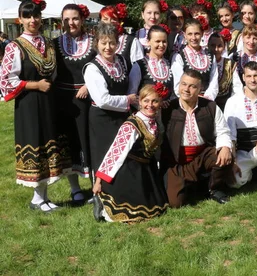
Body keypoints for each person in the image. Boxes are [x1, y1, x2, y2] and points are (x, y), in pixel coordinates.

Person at [0, 0, 71, 212]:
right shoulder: (15, 46)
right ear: (19, 19)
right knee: (36, 142)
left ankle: (44, 196)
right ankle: (36, 198)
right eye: (27, 16)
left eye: (36, 15)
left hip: (49, 102)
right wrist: (35, 86)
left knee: (48, 143)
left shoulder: (48, 43)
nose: (33, 20)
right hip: (30, 103)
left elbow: (55, 72)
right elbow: (5, 80)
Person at [92, 85, 168, 222]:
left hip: (146, 169)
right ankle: (101, 201)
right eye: (146, 101)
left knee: (158, 208)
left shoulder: (155, 121)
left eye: (155, 101)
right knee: (135, 213)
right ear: (139, 102)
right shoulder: (131, 125)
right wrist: (98, 182)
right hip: (128, 170)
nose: (150, 105)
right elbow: (115, 153)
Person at [161, 70, 234, 207]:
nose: (186, 89)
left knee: (224, 155)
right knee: (176, 203)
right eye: (184, 84)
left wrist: (225, 147)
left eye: (192, 86)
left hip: (202, 156)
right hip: (177, 163)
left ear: (200, 89)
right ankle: (195, 185)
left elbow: (223, 130)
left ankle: (213, 188)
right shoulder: (168, 108)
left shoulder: (210, 106)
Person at [54, 3, 95, 205]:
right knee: (68, 143)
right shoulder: (54, 43)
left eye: (75, 18)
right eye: (67, 19)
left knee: (90, 141)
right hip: (64, 101)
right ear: (62, 21)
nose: (71, 23)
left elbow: (102, 66)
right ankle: (75, 188)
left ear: (83, 19)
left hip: (88, 99)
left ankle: (97, 186)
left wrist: (89, 84)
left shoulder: (95, 42)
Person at [83, 23, 137, 173]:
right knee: (105, 156)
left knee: (124, 156)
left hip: (122, 117)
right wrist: (128, 100)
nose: (108, 47)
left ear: (117, 44)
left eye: (112, 42)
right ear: (97, 44)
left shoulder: (122, 61)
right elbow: (102, 100)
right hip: (103, 119)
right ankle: (103, 194)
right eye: (104, 43)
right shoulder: (92, 68)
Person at [171, 18, 219, 101]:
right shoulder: (179, 56)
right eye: (190, 34)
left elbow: (214, 81)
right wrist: (193, 98)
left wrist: (207, 99)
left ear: (202, 34)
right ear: (184, 35)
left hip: (206, 100)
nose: (193, 37)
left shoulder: (210, 55)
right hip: (186, 100)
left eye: (197, 33)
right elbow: (178, 84)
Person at [128, 25, 174, 100]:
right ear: (148, 41)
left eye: (164, 41)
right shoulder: (140, 65)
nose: (161, 45)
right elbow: (132, 95)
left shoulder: (169, 64)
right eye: (157, 41)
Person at [99, 4, 144, 68]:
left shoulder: (131, 42)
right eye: (105, 19)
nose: (109, 22)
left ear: (119, 21)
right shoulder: (96, 40)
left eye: (113, 19)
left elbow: (139, 68)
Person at [208, 31, 236, 111]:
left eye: (219, 46)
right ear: (208, 45)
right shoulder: (202, 63)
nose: (216, 49)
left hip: (225, 105)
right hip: (205, 104)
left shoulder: (230, 64)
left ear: (224, 47)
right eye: (212, 45)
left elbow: (236, 88)